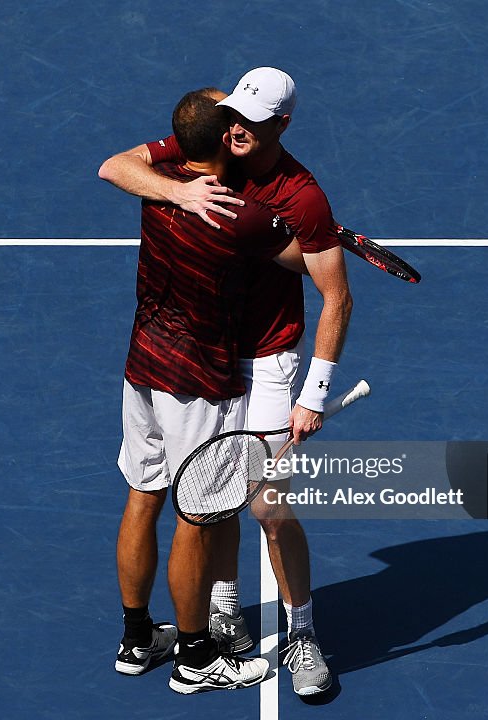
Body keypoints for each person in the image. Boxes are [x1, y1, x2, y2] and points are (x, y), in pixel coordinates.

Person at [99, 67, 353, 697]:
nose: (238, 128)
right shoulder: (213, 157)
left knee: (265, 504)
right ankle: (220, 614)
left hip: (261, 360)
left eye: (254, 122)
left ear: (282, 126)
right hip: (202, 363)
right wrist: (183, 195)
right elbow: (115, 166)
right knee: (209, 500)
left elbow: (335, 297)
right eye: (234, 115)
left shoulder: (302, 196)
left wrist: (313, 392)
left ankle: (302, 634)